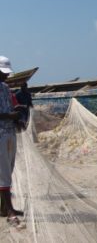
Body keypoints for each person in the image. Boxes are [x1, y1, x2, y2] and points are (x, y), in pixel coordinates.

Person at [0, 56, 24, 228]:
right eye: (3, 73)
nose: (7, 76)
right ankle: (9, 212)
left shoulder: (6, 87)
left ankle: (4, 208)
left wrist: (17, 118)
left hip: (10, 133)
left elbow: (11, 106)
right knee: (4, 174)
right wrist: (10, 116)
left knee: (8, 169)